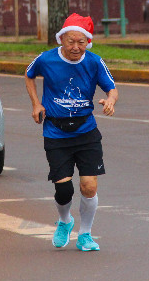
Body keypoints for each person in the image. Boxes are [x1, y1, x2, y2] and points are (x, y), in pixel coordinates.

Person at [25, 13, 118, 251]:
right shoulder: (46, 59)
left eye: (81, 42)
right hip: (56, 132)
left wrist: (110, 100)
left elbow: (112, 88)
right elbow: (29, 75)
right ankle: (65, 221)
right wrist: (36, 104)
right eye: (71, 41)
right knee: (64, 189)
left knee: (89, 186)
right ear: (61, 39)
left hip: (86, 131)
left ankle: (85, 234)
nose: (76, 47)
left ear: (88, 42)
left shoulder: (95, 62)